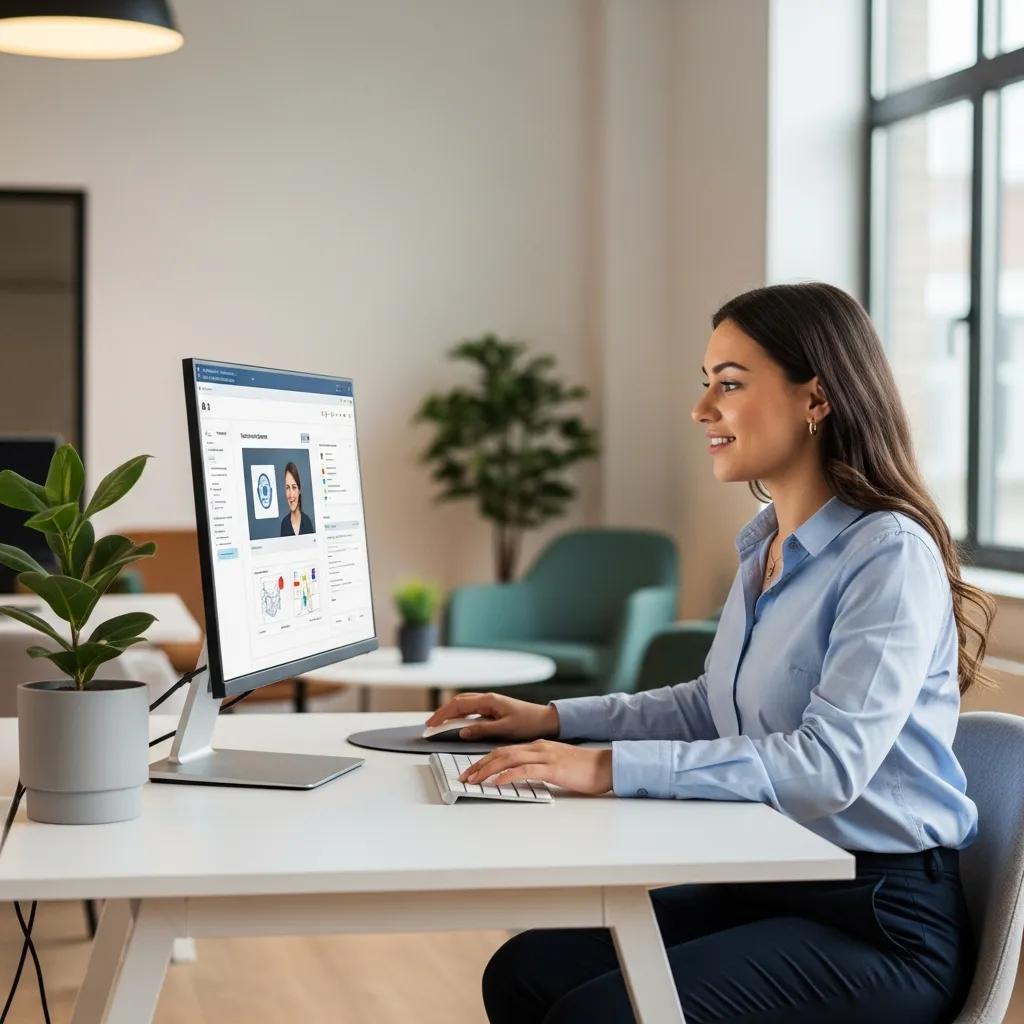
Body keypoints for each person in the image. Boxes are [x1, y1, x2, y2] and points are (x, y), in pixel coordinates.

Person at [427, 283, 996, 1024]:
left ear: (816, 399)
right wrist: (556, 719)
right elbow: (709, 702)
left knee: (597, 1014)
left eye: (729, 384)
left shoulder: (888, 555)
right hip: (771, 877)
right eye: (706, 384)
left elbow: (828, 766)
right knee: (526, 971)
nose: (701, 410)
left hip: (879, 920)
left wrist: (604, 769)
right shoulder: (767, 545)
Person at [280, 461, 314, 536]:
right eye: (287, 488)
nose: (291, 494)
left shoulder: (307, 522)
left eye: (294, 487)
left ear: (299, 490)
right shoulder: (284, 524)